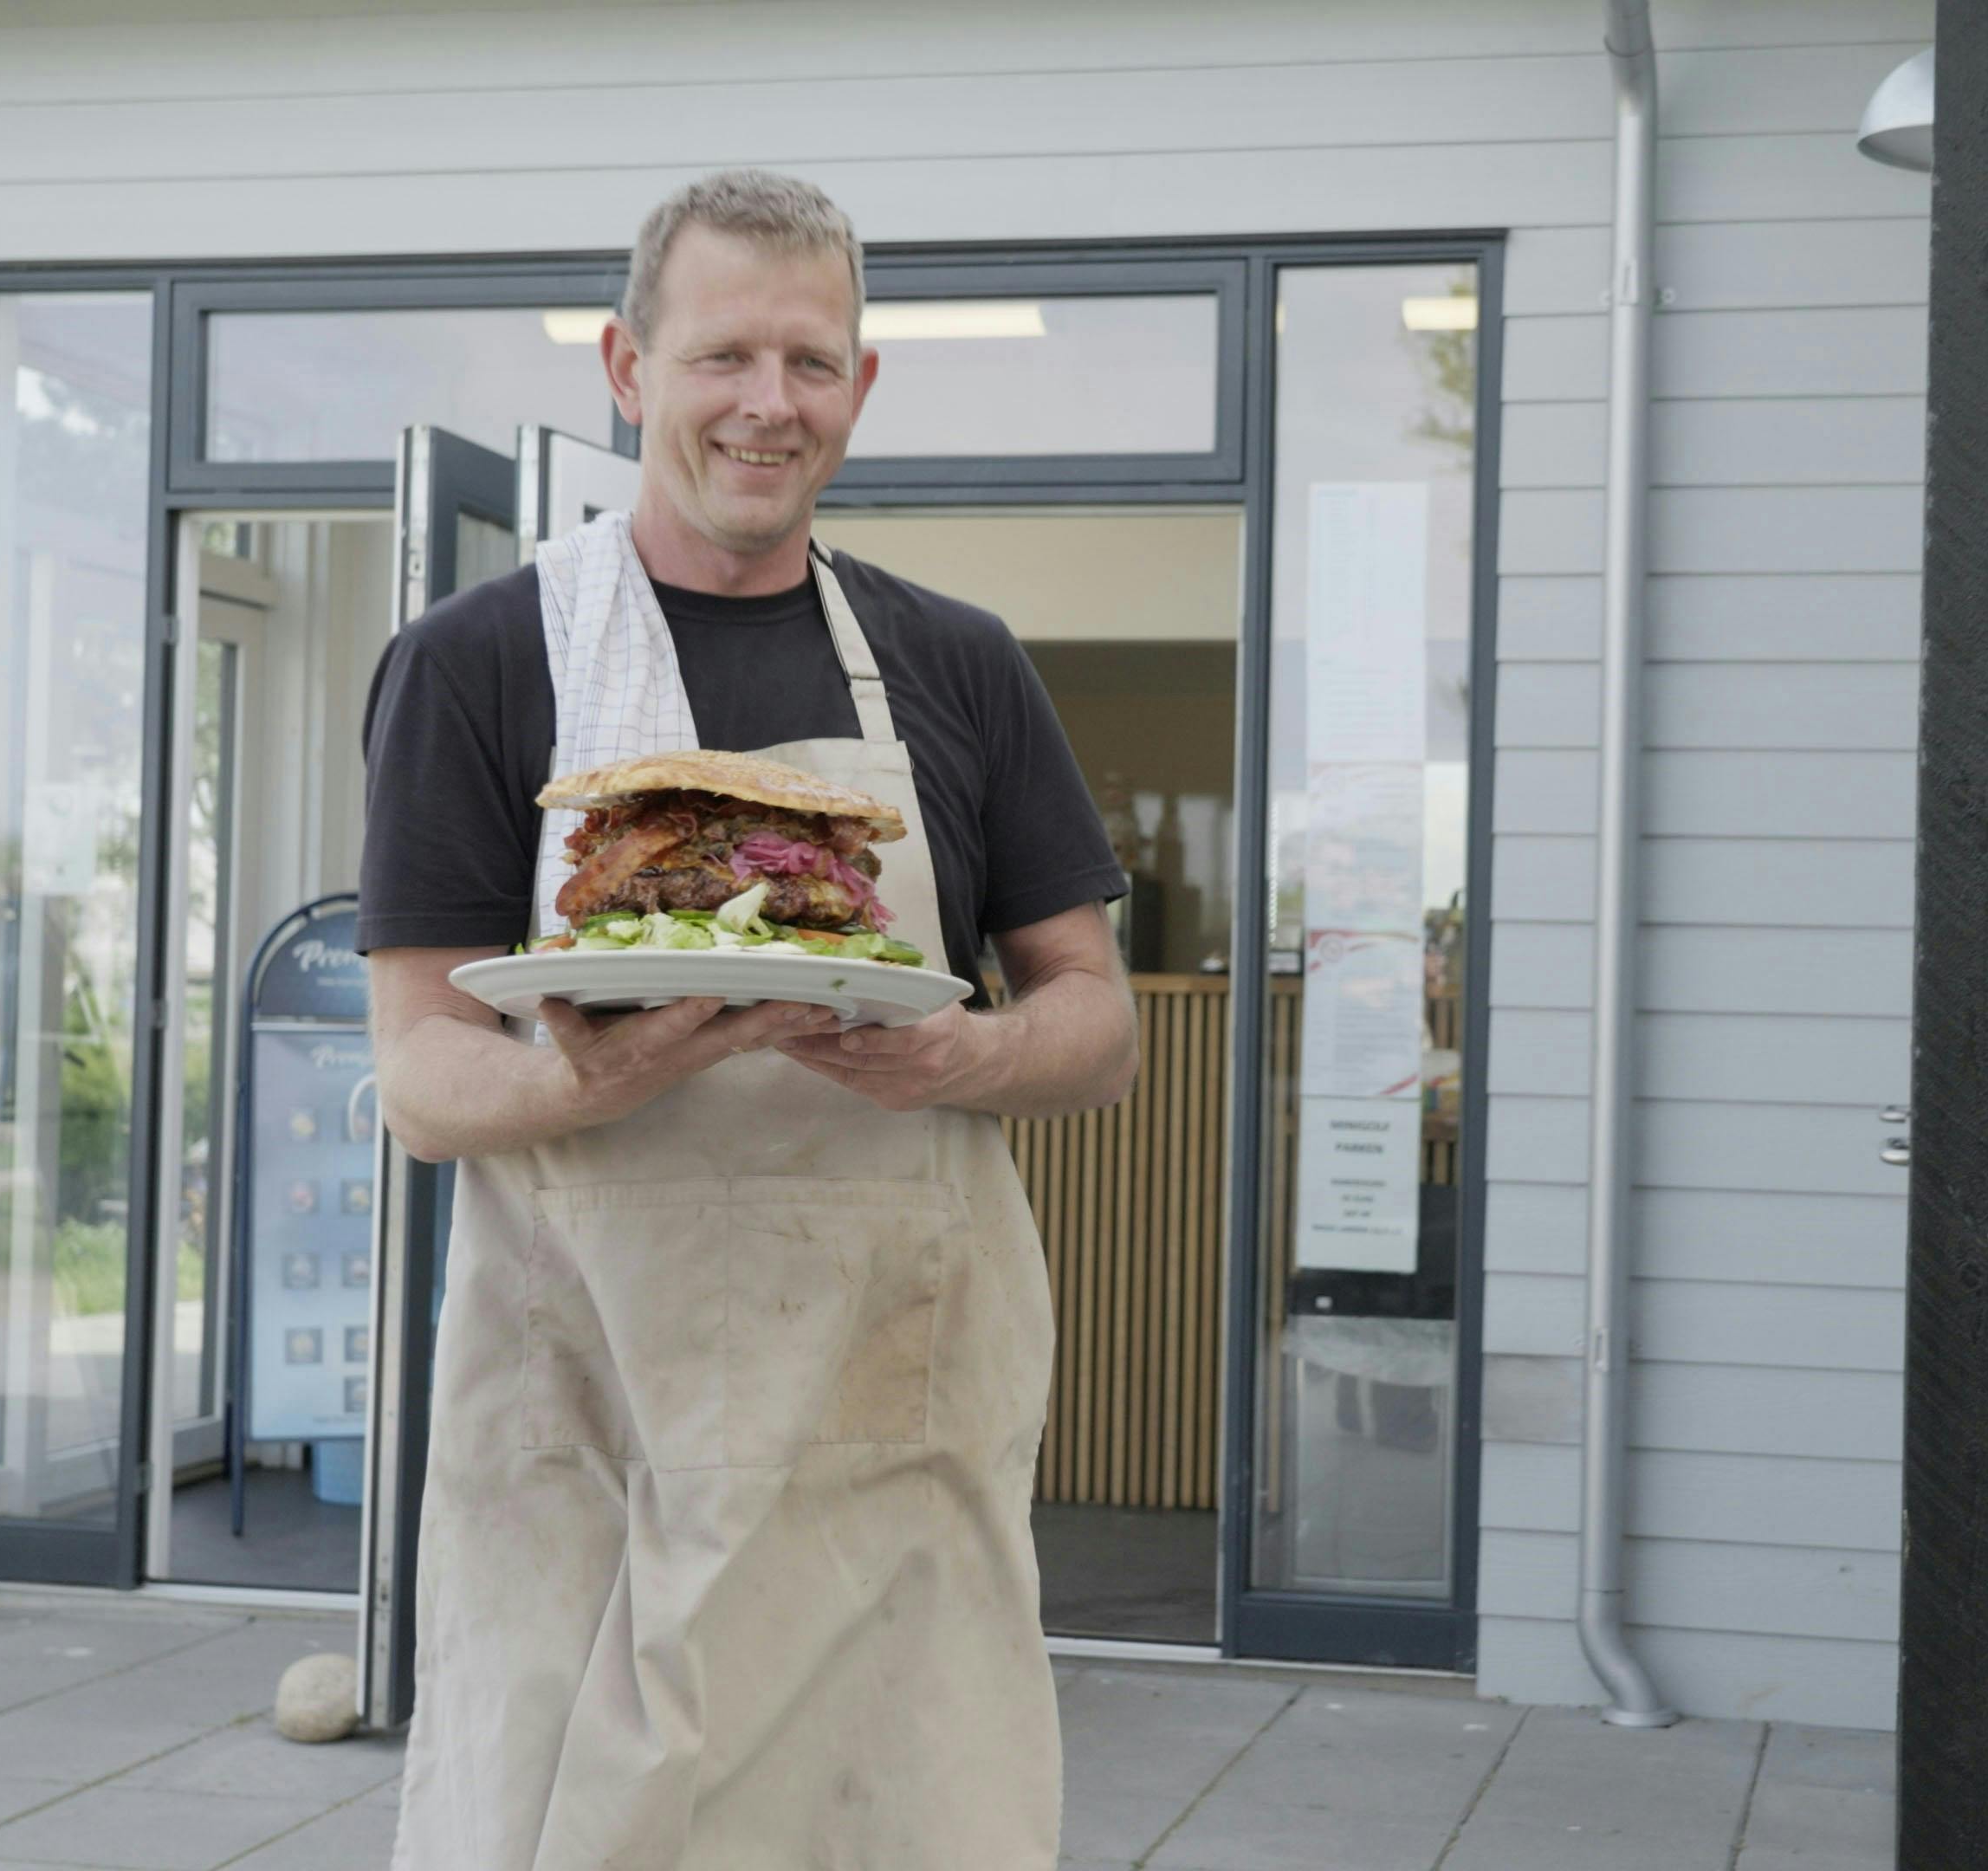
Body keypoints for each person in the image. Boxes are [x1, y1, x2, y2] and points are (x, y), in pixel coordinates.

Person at [357, 169, 1136, 1870]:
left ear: (860, 387)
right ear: (632, 368)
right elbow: (420, 1072)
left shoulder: (963, 664)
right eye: (723, 357)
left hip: (886, 1415)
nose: (766, 405)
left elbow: (1097, 1016)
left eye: (807, 361)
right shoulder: (482, 664)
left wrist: (968, 1051)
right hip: (597, 1410)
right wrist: (598, 1074)